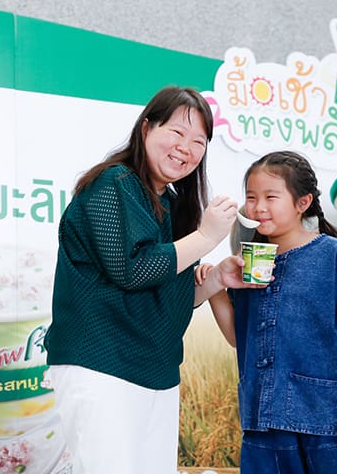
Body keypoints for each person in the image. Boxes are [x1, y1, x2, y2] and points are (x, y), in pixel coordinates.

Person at [43, 86, 262, 474]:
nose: (186, 148)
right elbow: (133, 269)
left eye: (198, 142)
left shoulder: (173, 204)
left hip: (157, 373)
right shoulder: (113, 183)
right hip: (102, 365)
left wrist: (214, 281)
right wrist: (206, 236)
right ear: (146, 128)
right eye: (177, 132)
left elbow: (163, 291)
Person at [201, 150, 337, 473]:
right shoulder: (248, 263)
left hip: (324, 421)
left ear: (303, 202)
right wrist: (215, 290)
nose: (258, 207)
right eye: (251, 197)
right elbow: (240, 339)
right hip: (262, 422)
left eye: (271, 197)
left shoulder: (333, 255)